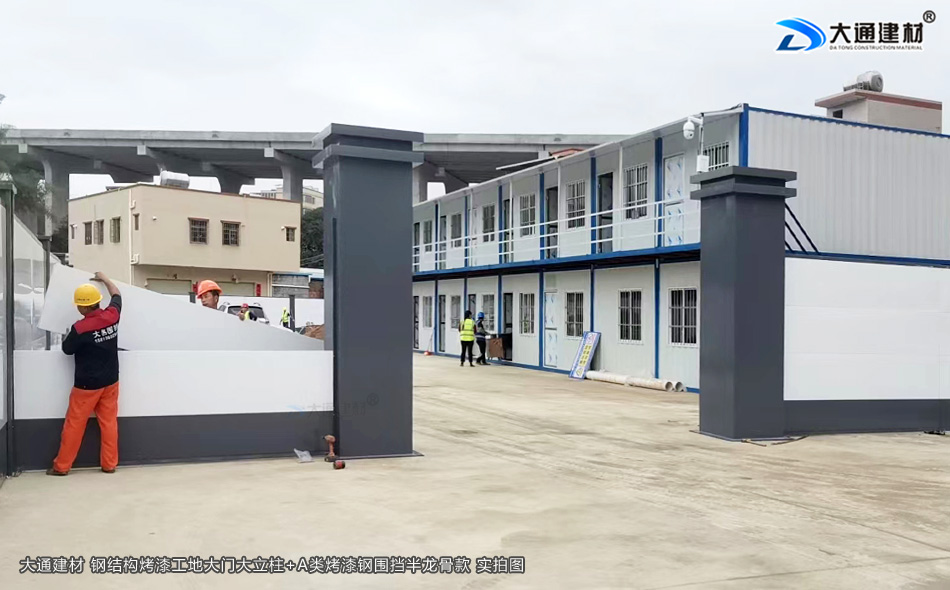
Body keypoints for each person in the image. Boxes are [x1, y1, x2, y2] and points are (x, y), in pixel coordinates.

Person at [47, 272, 122, 476]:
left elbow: (67, 349)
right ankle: (109, 465)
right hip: (111, 381)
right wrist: (105, 278)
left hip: (86, 386)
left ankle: (62, 467)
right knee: (109, 423)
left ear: (84, 307)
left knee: (75, 425)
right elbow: (117, 294)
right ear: (97, 302)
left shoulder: (80, 328)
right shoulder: (112, 315)